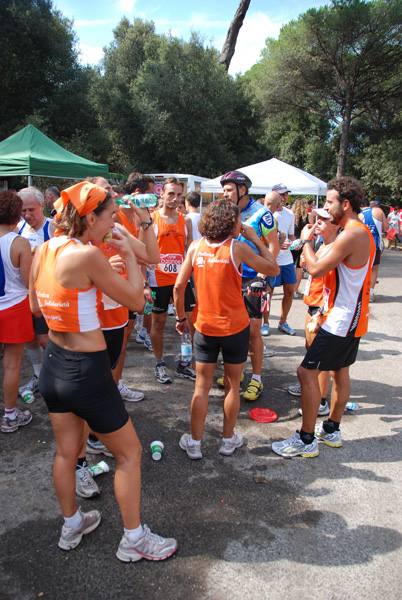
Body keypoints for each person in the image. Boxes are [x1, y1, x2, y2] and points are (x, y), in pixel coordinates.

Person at [29, 181, 177, 561]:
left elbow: (35, 307)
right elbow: (134, 302)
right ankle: (134, 539)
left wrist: (84, 292)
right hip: (87, 373)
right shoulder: (86, 255)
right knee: (130, 455)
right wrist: (128, 254)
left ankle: (72, 523)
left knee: (66, 453)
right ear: (90, 216)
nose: (114, 223)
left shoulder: (45, 248)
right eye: (111, 216)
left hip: (54, 369)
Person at [272, 176, 375, 458]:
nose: (326, 208)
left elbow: (315, 269)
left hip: (340, 320)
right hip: (350, 318)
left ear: (345, 203)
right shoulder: (352, 232)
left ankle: (306, 439)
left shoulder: (353, 233)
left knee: (306, 372)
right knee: (340, 371)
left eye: (330, 202)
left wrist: (305, 242)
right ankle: (331, 430)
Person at [174, 199, 278, 459]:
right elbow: (273, 267)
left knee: (201, 387)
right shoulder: (238, 248)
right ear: (232, 224)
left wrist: (180, 318)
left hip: (205, 327)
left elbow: (178, 287)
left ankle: (195, 443)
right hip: (235, 328)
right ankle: (228, 441)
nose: (242, 224)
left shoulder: (195, 247)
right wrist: (255, 238)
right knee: (233, 386)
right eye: (239, 220)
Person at [221, 171, 279, 401]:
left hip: (253, 278)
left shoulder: (262, 213)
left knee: (253, 330)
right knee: (233, 329)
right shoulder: (227, 211)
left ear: (242, 190)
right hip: (231, 277)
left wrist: (261, 274)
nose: (224, 194)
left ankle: (257, 379)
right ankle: (238, 373)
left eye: (229, 190)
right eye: (223, 190)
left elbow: (274, 245)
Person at [287, 207, 340, 416]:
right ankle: (310, 387)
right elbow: (312, 268)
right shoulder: (323, 244)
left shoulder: (336, 247)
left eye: (323, 221)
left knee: (320, 359)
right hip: (314, 305)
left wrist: (322, 311)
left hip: (322, 308)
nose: (316, 223)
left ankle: (320, 400)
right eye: (316, 219)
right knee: (309, 348)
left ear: (336, 225)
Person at [148, 177, 195, 384]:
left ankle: (185, 363)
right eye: (171, 194)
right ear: (162, 194)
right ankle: (159, 364)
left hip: (181, 281)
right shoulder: (151, 219)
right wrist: (143, 284)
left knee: (189, 324)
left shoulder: (185, 221)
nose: (175, 198)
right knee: (158, 324)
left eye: (178, 195)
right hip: (158, 280)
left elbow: (190, 251)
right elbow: (143, 252)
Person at [16, 187, 56, 401]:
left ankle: (52, 376)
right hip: (24, 294)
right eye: (23, 210)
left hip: (46, 295)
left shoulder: (52, 228)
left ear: (42, 206)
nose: (27, 215)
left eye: (31, 209)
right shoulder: (20, 228)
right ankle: (38, 375)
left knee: (44, 339)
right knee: (29, 338)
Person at [1, 191, 34, 433]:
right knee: (12, 365)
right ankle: (10, 415)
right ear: (16, 215)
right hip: (14, 306)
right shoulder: (19, 242)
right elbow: (27, 282)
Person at [265, 183, 297, 336]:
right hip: (272, 259)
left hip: (287, 259)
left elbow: (291, 236)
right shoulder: (267, 214)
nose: (284, 198)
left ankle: (283, 322)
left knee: (290, 291)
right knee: (268, 293)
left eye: (286, 195)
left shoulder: (290, 214)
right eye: (281, 195)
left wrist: (291, 243)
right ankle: (265, 323)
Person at [359, 198, 388, 302]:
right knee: (374, 269)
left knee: (362, 269)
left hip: (362, 246)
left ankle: (361, 292)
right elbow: (386, 226)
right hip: (376, 245)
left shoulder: (359, 214)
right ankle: (370, 293)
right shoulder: (378, 211)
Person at [291, 198, 310, 298]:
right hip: (302, 242)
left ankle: (288, 288)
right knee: (299, 267)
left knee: (290, 265)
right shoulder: (307, 217)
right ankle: (295, 290)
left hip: (292, 243)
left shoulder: (291, 215)